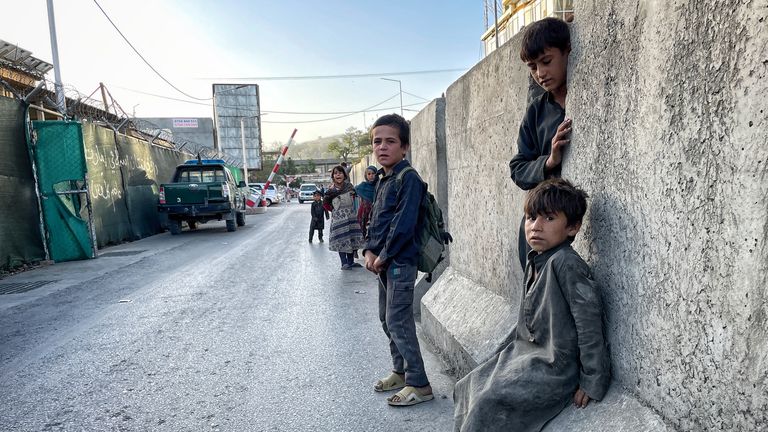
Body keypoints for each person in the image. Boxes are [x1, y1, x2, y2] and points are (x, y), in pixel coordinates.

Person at [453, 178, 610, 432]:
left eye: (548, 218)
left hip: (554, 366)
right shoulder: (535, 260)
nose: (535, 226)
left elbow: (589, 323)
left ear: (572, 227)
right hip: (525, 353)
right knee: (469, 383)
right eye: (530, 218)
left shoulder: (566, 264)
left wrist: (592, 379)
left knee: (488, 402)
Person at [363, 114, 432, 407]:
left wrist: (384, 256)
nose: (382, 147)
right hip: (383, 262)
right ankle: (400, 371)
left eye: (390, 141)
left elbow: (402, 225)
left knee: (398, 320)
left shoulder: (409, 178)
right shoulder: (383, 179)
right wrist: (368, 250)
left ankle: (420, 383)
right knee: (386, 318)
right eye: (377, 141)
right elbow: (375, 221)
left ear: (404, 147)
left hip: (400, 262)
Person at [509, 17, 573, 270]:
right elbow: (518, 169)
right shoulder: (536, 112)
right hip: (544, 223)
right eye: (533, 67)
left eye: (546, 62)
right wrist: (549, 161)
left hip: (572, 220)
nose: (540, 73)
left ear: (568, 51)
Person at [323, 165, 365, 269]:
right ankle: (344, 263)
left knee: (351, 239)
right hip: (339, 219)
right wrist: (334, 210)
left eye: (340, 173)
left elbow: (356, 199)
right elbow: (325, 204)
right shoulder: (330, 191)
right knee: (342, 239)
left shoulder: (349, 187)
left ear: (344, 175)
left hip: (351, 217)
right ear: (333, 176)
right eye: (336, 173)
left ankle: (351, 262)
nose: (338, 175)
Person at [355, 165, 378, 239]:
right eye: (369, 174)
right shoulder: (362, 186)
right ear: (366, 175)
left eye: (373, 173)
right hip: (363, 212)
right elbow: (352, 191)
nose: (371, 176)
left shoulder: (380, 184)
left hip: (376, 212)